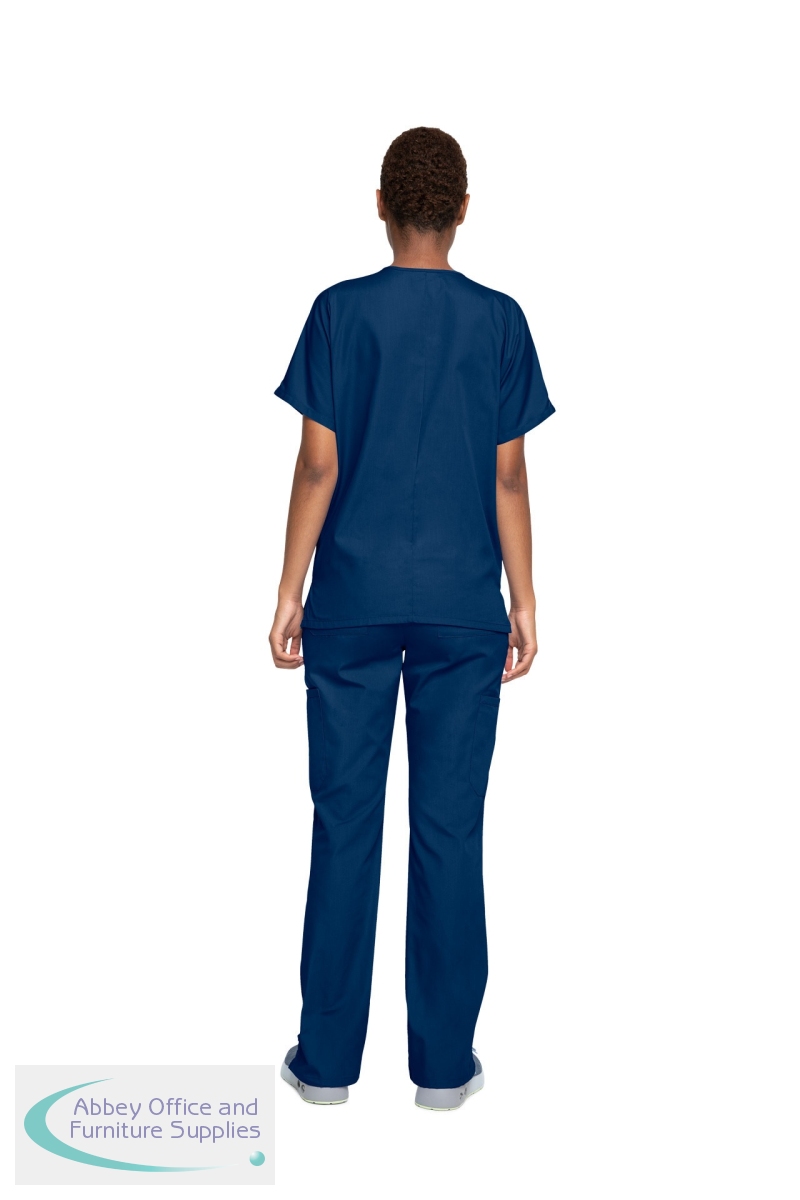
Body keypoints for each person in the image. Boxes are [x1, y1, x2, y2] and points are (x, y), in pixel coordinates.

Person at [269, 126, 555, 1111]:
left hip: (350, 603)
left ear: (381, 205)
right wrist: (524, 595)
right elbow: (507, 475)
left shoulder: (338, 313)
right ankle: (441, 1069)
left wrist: (289, 587)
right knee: (447, 831)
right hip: (462, 608)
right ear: (463, 210)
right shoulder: (499, 321)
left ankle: (325, 1066)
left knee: (344, 826)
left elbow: (318, 464)